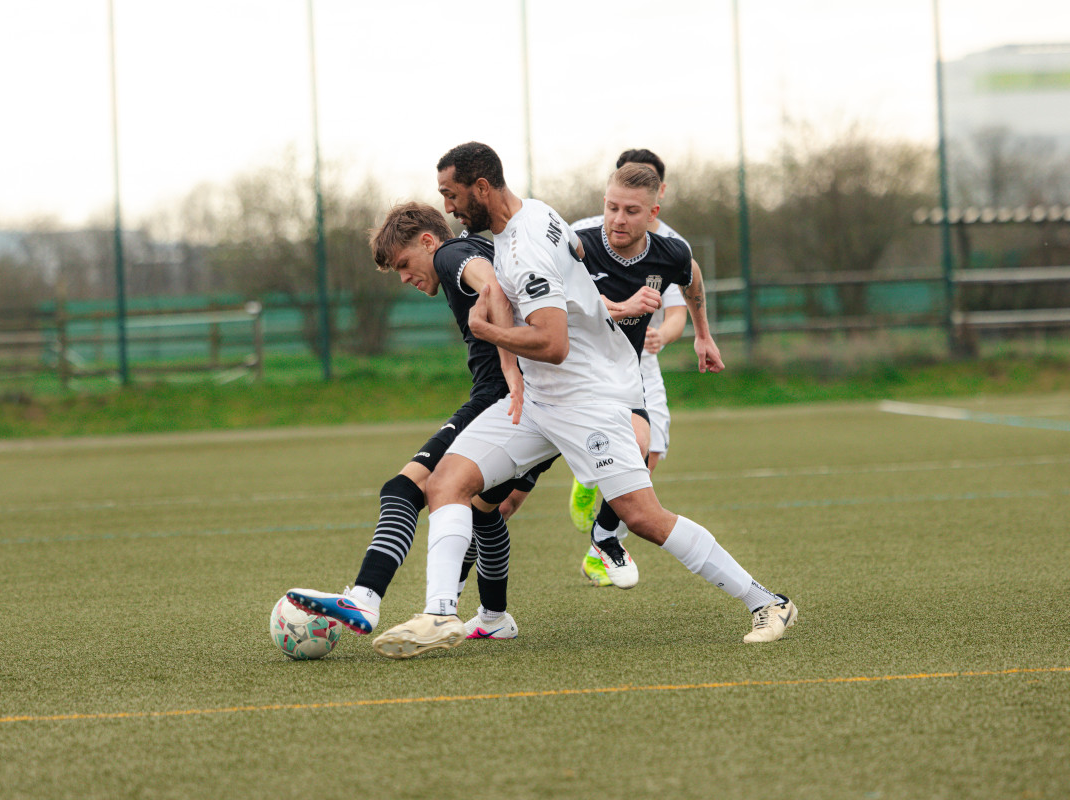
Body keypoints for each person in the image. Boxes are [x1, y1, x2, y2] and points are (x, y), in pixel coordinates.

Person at [371, 142, 797, 659]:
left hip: (587, 398)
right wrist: (511, 367)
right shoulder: (537, 216)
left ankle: (768, 601)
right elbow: (548, 288)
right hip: (538, 401)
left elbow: (553, 343)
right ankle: (439, 614)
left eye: (452, 195)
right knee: (447, 483)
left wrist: (487, 332)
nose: (450, 208)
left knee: (642, 517)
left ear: (481, 188)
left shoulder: (526, 244)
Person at [286, 202, 551, 641]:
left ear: (428, 241)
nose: (405, 278)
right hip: (540, 403)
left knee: (404, 488)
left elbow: (494, 289)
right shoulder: (480, 248)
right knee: (485, 511)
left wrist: (507, 367)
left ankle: (366, 597)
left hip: (501, 400)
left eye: (405, 264)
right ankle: (493, 618)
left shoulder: (450, 255)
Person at [568, 149, 694, 587]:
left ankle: (601, 543)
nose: (620, 217)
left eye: (634, 208)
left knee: (649, 450)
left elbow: (683, 298)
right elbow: (567, 301)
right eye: (614, 205)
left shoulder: (670, 246)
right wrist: (621, 308)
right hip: (580, 365)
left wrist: (679, 334)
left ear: (657, 199)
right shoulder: (583, 236)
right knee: (505, 492)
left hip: (641, 362)